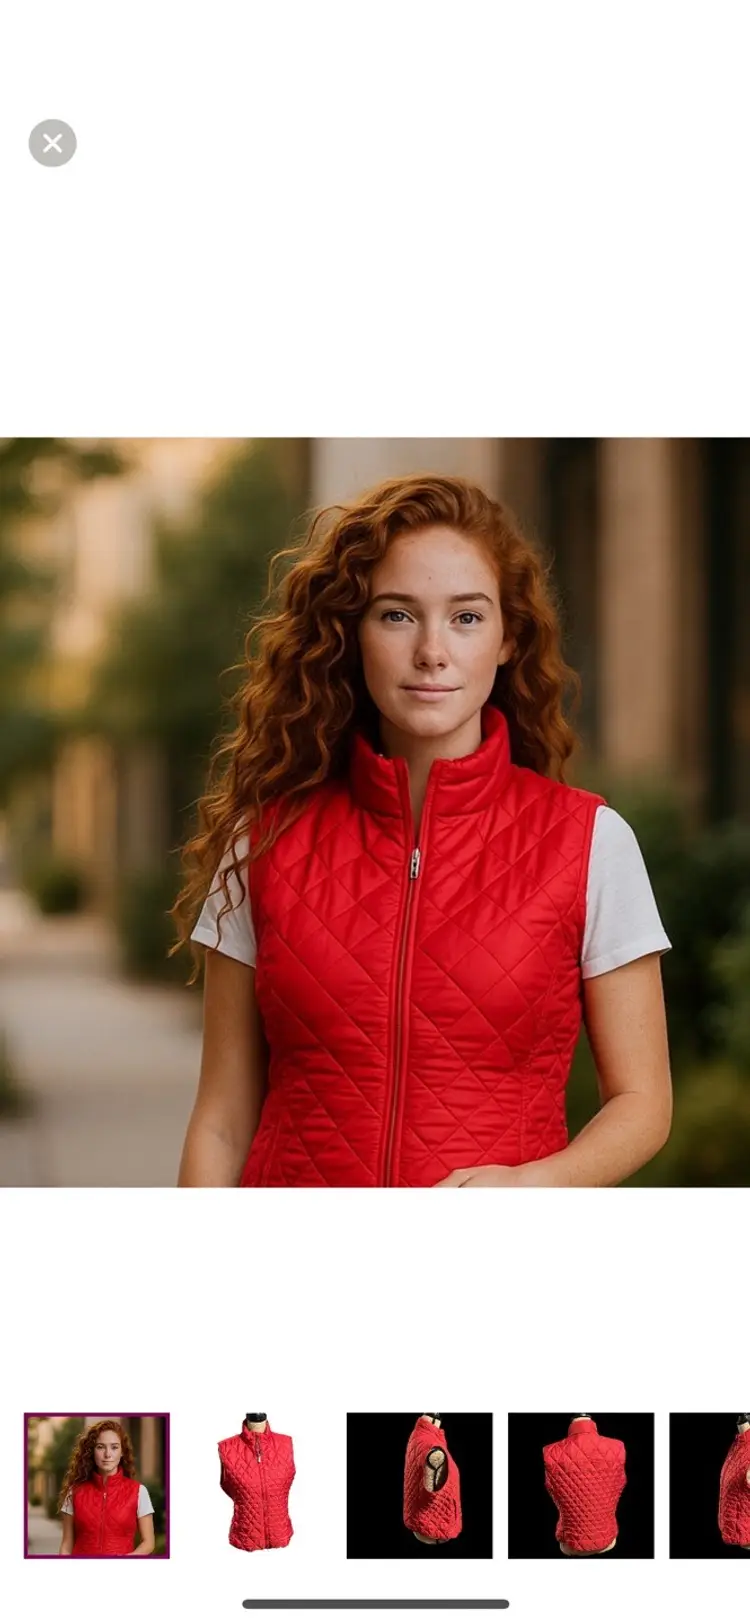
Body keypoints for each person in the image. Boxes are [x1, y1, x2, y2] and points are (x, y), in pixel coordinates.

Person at [174, 472, 673, 1188]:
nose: (432, 650)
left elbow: (643, 1103)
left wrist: (531, 1188)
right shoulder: (265, 843)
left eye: (466, 617)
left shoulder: (590, 843)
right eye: (397, 615)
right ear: (352, 632)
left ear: (507, 638)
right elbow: (221, 1121)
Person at [57, 1420, 155, 1556]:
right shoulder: (74, 1492)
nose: (108, 1454)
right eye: (100, 1447)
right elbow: (66, 1546)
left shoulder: (138, 1492)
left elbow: (148, 1543)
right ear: (92, 1451)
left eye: (114, 1447)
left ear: (122, 1452)